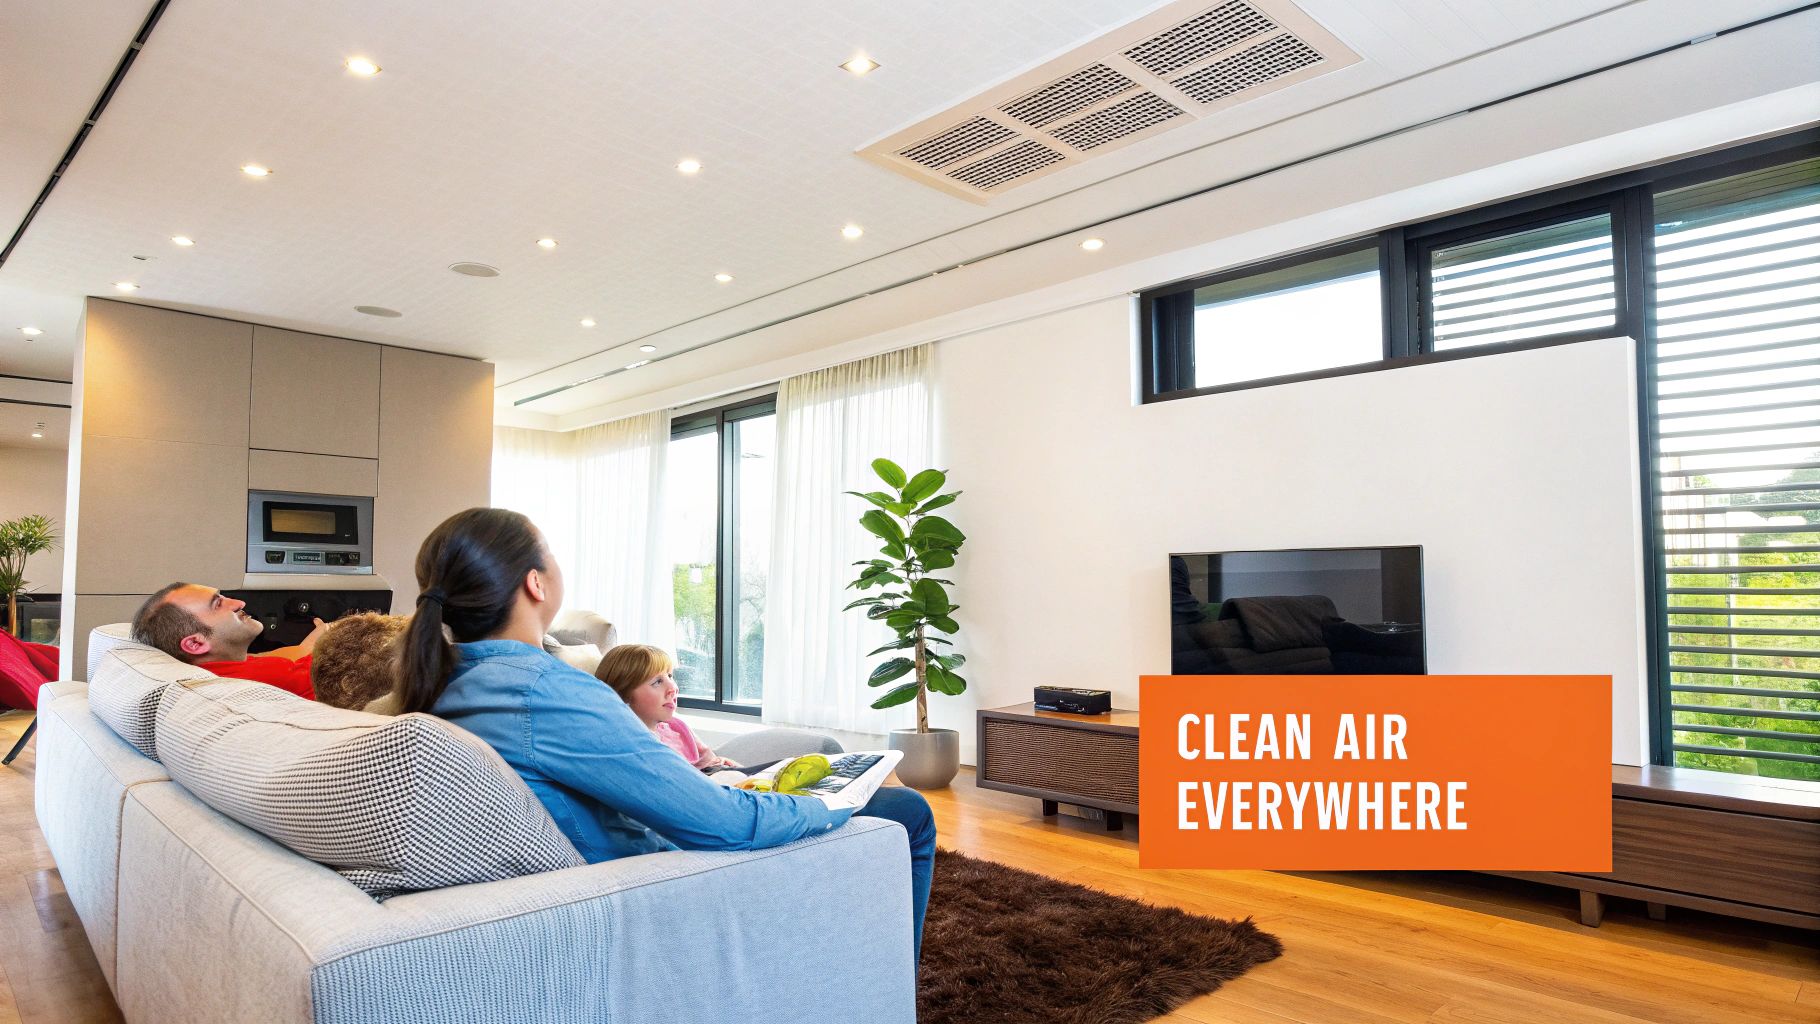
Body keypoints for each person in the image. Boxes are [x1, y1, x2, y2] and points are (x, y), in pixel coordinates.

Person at [396, 508, 935, 963]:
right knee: (909, 815)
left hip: (619, 855)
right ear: (535, 583)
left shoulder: (443, 685)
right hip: (660, 878)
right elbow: (720, 825)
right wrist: (828, 805)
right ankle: (892, 990)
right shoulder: (546, 691)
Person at [130, 583, 324, 699]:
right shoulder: (256, 682)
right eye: (218, 604)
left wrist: (321, 636)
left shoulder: (222, 666)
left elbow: (296, 653)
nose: (239, 603)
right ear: (195, 644)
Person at [593, 644, 734, 770]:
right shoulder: (628, 745)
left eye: (670, 676)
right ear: (622, 695)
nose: (673, 688)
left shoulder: (677, 726)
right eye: (657, 682)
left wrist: (720, 765)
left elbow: (710, 762)